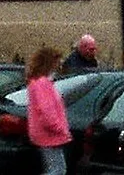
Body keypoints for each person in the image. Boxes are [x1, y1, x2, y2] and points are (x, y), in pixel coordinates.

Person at [26, 46, 73, 174]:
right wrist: (60, 128)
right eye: (56, 61)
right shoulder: (42, 84)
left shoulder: (38, 82)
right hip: (50, 135)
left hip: (46, 134)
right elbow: (47, 111)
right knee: (58, 170)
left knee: (55, 168)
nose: (59, 65)